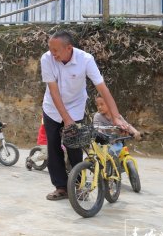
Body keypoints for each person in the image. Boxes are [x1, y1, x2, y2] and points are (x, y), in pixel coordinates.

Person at [41, 30, 127, 201]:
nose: (52, 53)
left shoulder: (85, 60)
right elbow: (53, 91)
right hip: (52, 107)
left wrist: (116, 116)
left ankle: (78, 185)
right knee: (54, 146)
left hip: (75, 106)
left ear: (69, 48)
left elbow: (102, 88)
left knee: (74, 146)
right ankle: (61, 187)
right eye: (50, 49)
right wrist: (66, 120)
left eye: (56, 50)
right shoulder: (46, 59)